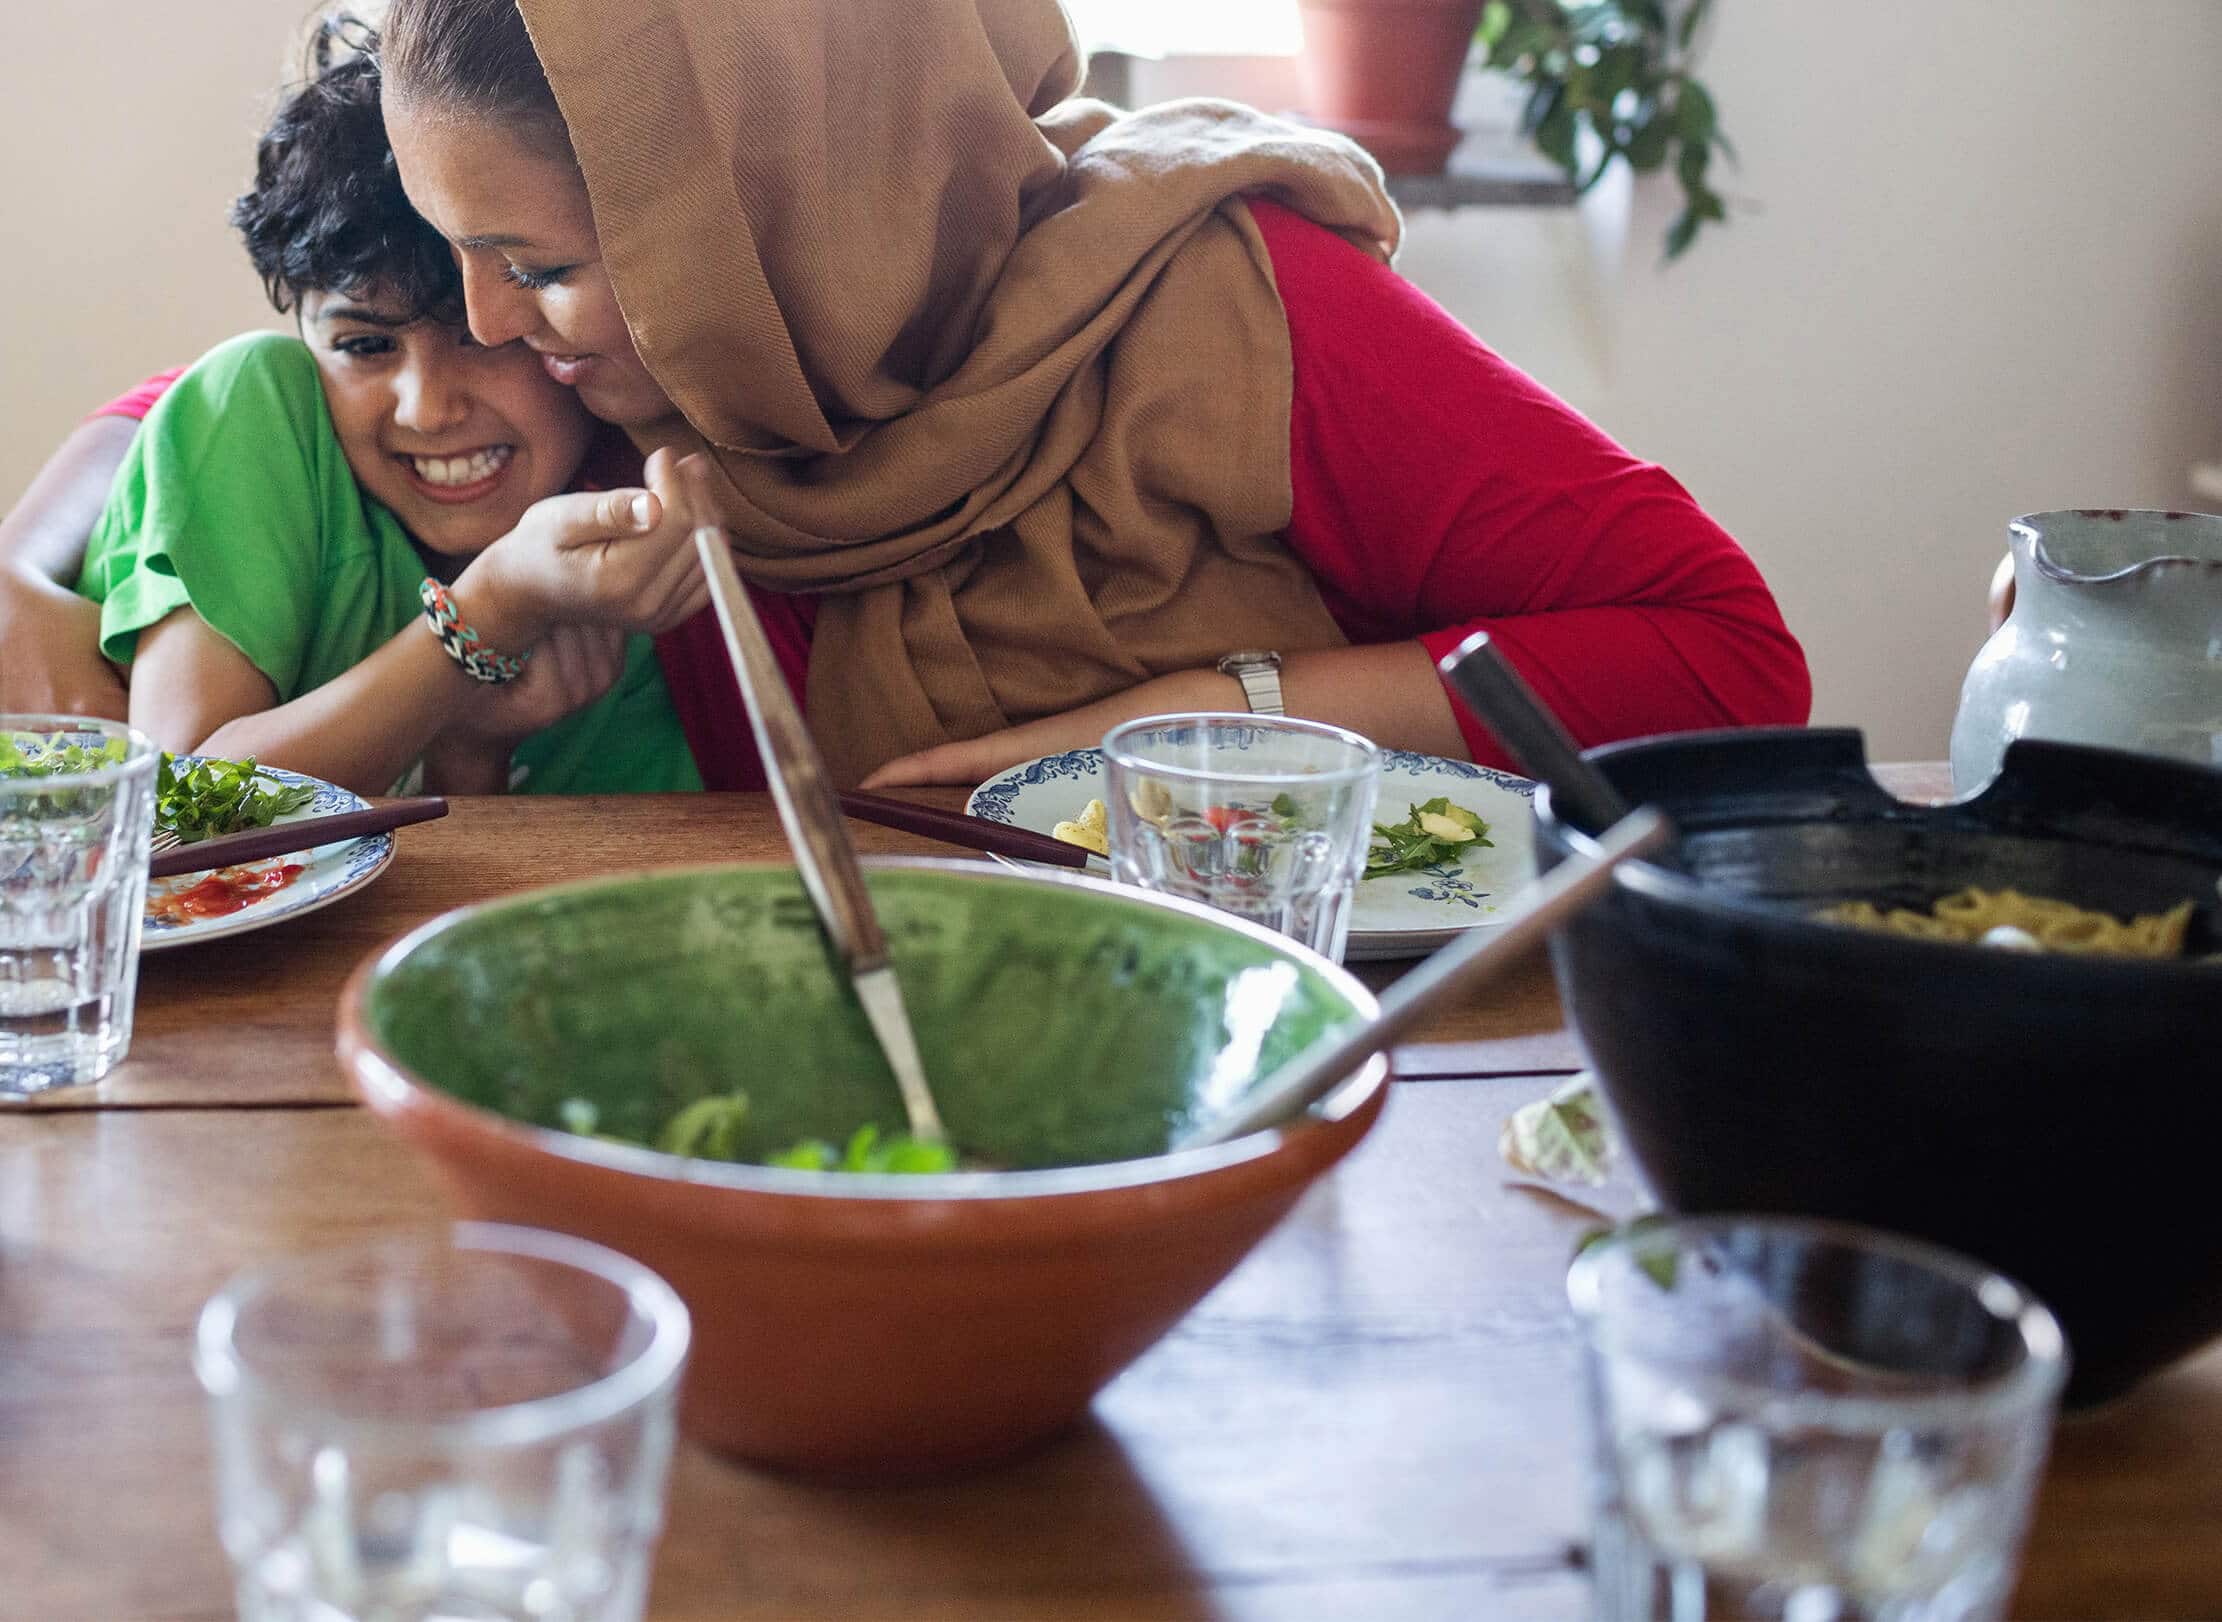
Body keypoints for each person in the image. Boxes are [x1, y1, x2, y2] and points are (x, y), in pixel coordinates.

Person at [373, 0, 1811, 792]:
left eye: (535, 264)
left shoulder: (1237, 307)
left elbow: (1724, 664)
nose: (488, 324)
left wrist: (1205, 717)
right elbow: (211, 426)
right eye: (461, 258)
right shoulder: (660, 390)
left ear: (756, 214)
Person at [64, 20, 709, 797]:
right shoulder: (259, 406)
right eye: (367, 347)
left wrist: (471, 747)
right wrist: (491, 609)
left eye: (483, 342)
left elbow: (514, 902)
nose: (428, 409)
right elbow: (180, 799)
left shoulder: (635, 531)